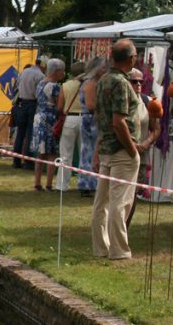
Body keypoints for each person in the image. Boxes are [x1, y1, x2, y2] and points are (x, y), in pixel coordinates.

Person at [91, 39, 141, 261]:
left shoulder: (103, 80)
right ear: (130, 58)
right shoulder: (120, 83)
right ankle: (118, 251)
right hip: (121, 150)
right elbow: (118, 122)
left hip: (106, 149)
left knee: (102, 202)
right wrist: (132, 150)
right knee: (119, 203)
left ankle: (101, 247)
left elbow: (100, 117)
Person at [125, 68, 162, 229]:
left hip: (141, 155)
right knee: (119, 194)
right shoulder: (121, 101)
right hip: (122, 153)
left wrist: (147, 142)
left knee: (133, 195)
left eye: (141, 81)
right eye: (134, 81)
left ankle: (124, 228)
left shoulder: (147, 101)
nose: (139, 84)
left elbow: (156, 128)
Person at [30, 58, 66, 191]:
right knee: (51, 152)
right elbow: (59, 106)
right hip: (50, 119)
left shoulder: (40, 83)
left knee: (40, 152)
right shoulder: (55, 86)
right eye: (62, 71)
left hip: (38, 117)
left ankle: (37, 182)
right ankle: (49, 183)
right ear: (57, 71)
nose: (63, 74)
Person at [78, 56, 109, 196]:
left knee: (90, 151)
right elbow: (91, 105)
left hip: (91, 120)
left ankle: (90, 182)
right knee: (90, 151)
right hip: (91, 121)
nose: (105, 70)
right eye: (102, 68)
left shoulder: (92, 82)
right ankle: (88, 183)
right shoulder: (91, 84)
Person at [54, 61, 86, 192]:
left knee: (65, 154)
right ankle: (84, 184)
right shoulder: (88, 85)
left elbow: (60, 107)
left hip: (70, 118)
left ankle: (61, 185)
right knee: (84, 153)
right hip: (85, 118)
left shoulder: (65, 85)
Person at [12, 57, 45, 168]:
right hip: (32, 104)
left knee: (20, 133)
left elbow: (16, 87)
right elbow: (39, 94)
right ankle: (28, 160)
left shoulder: (23, 72)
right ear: (43, 65)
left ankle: (16, 160)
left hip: (21, 103)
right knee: (31, 133)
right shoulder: (40, 76)